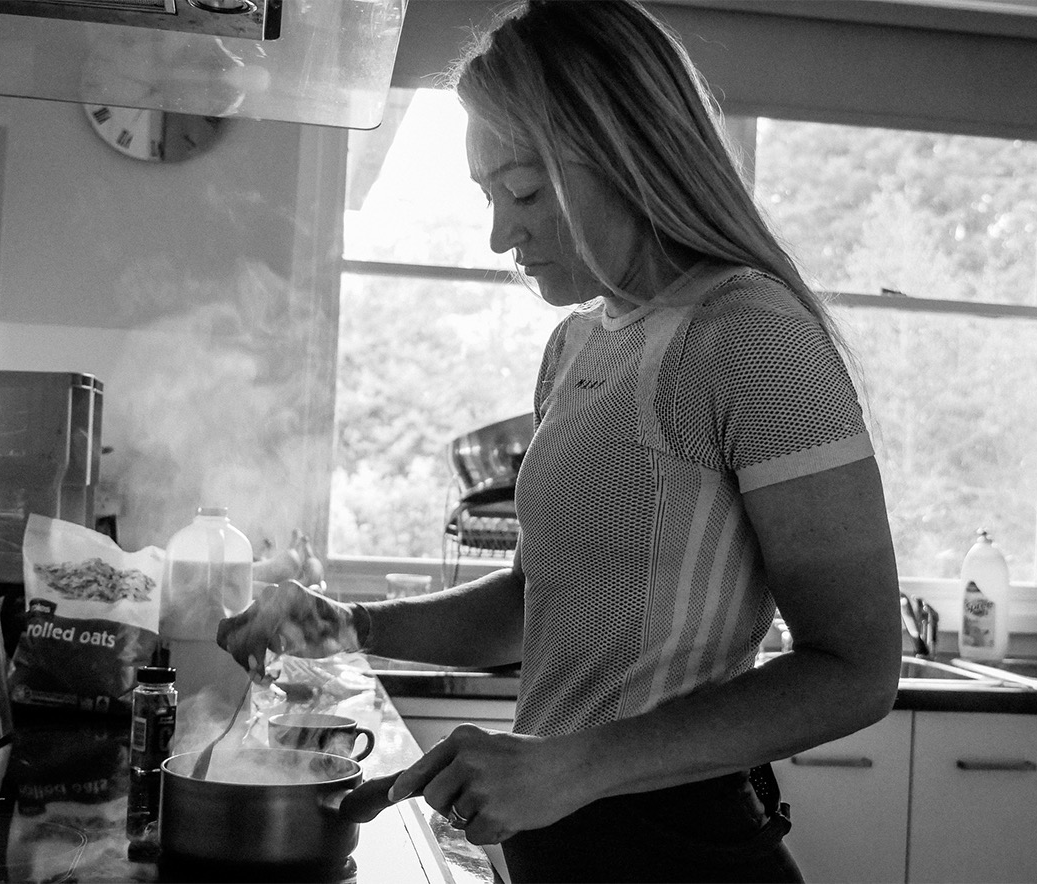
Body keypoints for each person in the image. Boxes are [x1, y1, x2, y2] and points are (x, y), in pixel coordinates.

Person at [218, 2, 902, 881]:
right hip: (563, 848)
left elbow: (855, 668)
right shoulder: (579, 343)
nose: (499, 235)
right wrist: (349, 625)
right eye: (489, 195)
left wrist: (570, 766)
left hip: (680, 849)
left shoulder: (751, 337)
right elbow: (533, 599)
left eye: (524, 192)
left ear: (626, 154)